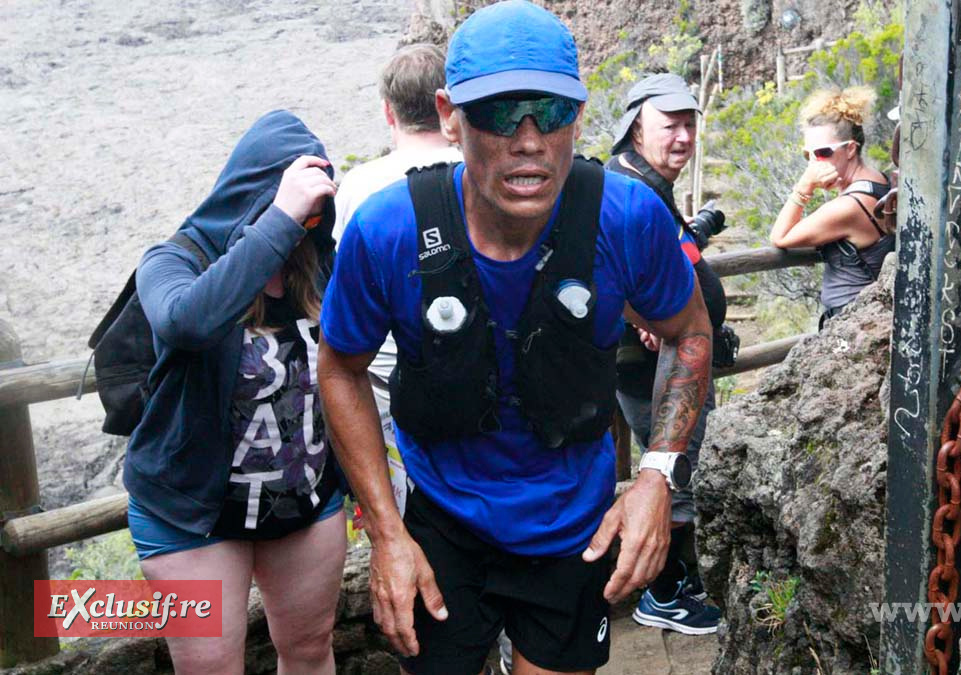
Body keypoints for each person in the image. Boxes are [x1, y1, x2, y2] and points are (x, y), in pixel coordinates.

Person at [317, 2, 713, 674]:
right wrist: (387, 529)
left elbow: (691, 333)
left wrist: (655, 474)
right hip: (444, 518)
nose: (529, 139)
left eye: (551, 112)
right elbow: (339, 368)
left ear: (580, 115)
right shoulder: (389, 231)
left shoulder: (625, 219)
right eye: (500, 113)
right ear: (448, 116)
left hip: (571, 528)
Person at [124, 110, 346, 673]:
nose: (309, 223)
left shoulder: (317, 262)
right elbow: (189, 323)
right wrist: (280, 220)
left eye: (317, 211)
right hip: (191, 517)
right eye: (302, 207)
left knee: (310, 651)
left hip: (303, 503)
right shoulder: (173, 259)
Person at [606, 72, 725, 635]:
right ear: (634, 128)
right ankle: (665, 593)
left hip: (666, 357)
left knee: (680, 467)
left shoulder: (647, 180)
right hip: (649, 364)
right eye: (668, 125)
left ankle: (676, 584)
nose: (682, 136)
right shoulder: (627, 184)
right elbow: (603, 260)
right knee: (671, 468)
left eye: (688, 124)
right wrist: (650, 316)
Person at [333, 42, 462, 516]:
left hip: (382, 381)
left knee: (399, 512)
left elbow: (346, 291)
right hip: (470, 369)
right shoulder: (476, 171)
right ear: (447, 105)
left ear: (388, 112)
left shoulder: (359, 188)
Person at [769, 87, 894, 329]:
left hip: (852, 322)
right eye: (809, 155)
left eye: (824, 152)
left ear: (850, 149)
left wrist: (803, 187)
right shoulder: (878, 180)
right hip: (865, 316)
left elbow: (780, 237)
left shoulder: (848, 207)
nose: (815, 162)